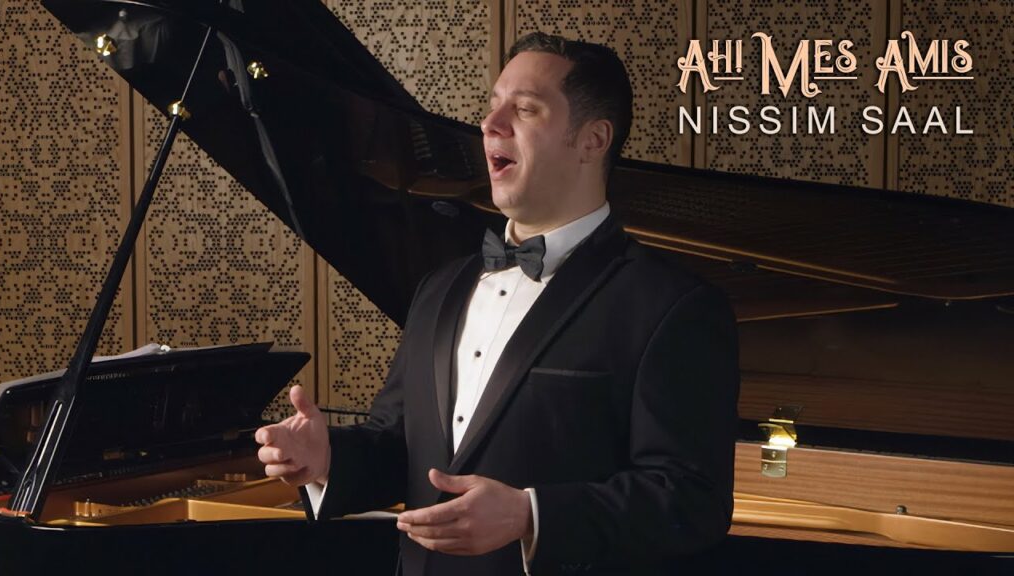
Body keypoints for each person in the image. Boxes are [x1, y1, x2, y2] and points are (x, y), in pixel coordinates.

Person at [255, 32, 739, 575]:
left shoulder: (674, 307)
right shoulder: (440, 288)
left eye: (525, 109)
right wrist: (326, 458)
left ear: (593, 140)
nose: (490, 124)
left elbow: (691, 501)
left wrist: (531, 516)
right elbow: (399, 444)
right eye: (493, 106)